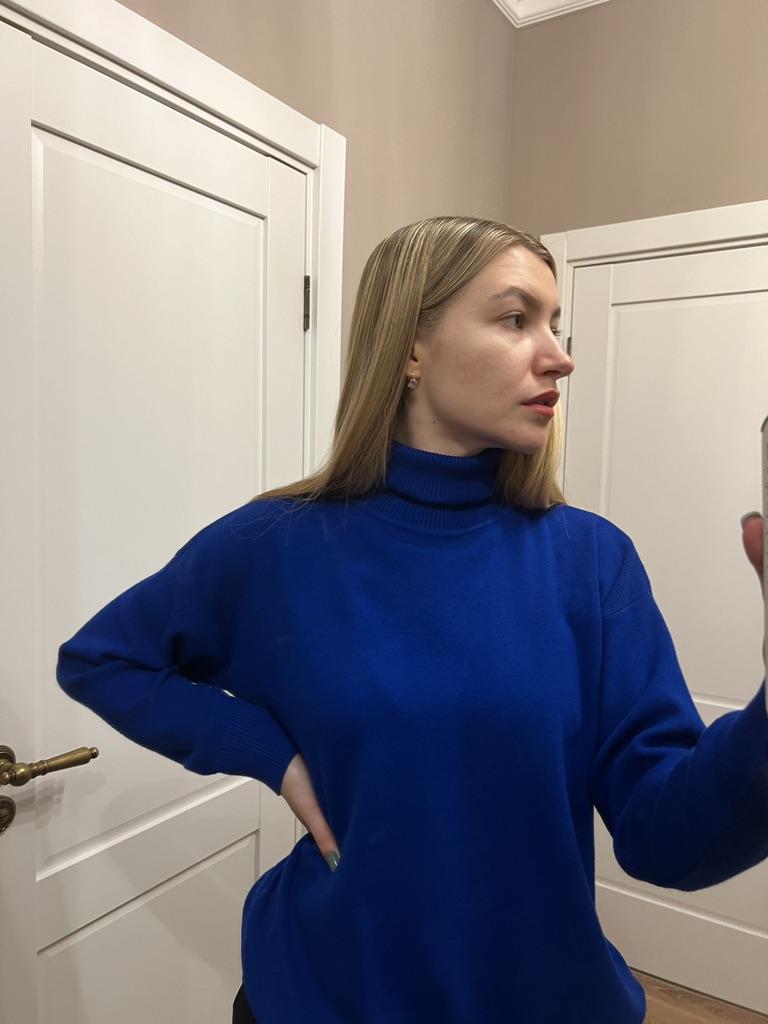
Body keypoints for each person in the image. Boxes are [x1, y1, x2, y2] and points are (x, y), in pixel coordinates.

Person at [56, 216, 767, 1024]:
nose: (559, 356)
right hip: (321, 996)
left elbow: (668, 840)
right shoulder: (275, 546)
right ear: (411, 348)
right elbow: (103, 660)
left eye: (555, 325)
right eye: (516, 318)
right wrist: (268, 753)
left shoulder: (592, 562)